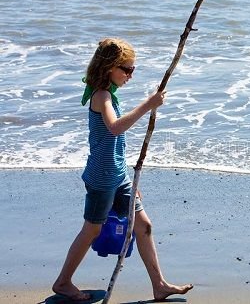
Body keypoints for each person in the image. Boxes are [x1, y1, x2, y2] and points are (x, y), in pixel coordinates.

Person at [52, 38, 193, 301]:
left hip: (118, 176)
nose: (130, 75)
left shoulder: (109, 94)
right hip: (101, 178)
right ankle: (63, 282)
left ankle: (159, 285)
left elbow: (114, 145)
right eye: (127, 69)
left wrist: (129, 180)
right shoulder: (101, 95)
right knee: (92, 230)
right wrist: (148, 105)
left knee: (144, 225)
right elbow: (114, 127)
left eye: (132, 70)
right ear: (109, 67)